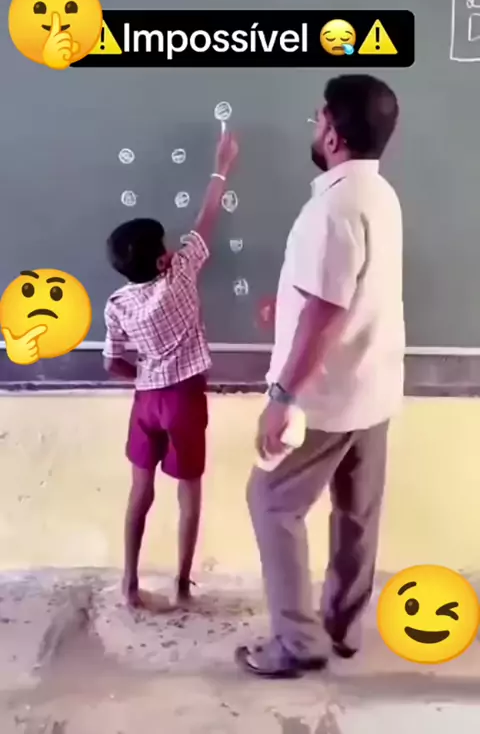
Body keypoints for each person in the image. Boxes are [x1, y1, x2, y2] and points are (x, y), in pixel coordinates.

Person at [235, 74, 405, 678]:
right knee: (357, 514)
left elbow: (327, 313)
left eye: (318, 119)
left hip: (326, 400)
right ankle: (343, 628)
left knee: (271, 503)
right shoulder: (378, 194)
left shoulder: (331, 209)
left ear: (333, 134)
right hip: (374, 388)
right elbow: (350, 292)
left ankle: (297, 643)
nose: (315, 127)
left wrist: (282, 396)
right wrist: (287, 306)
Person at [103, 131, 239, 608]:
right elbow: (208, 216)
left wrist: (141, 377)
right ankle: (181, 585)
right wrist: (222, 165)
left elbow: (112, 362)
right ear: (163, 258)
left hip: (146, 400)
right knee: (188, 490)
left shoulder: (117, 304)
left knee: (140, 490)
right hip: (184, 398)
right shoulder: (180, 274)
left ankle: (129, 582)